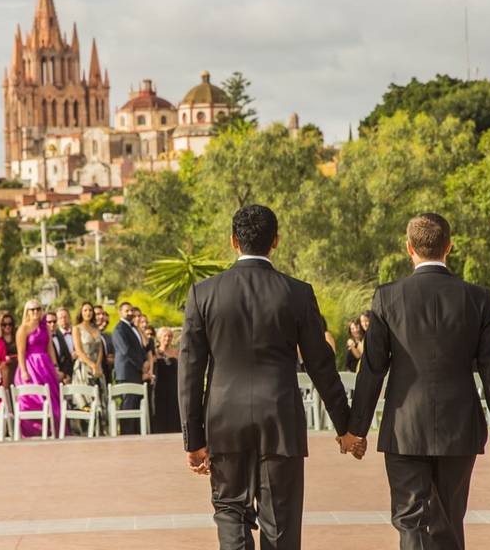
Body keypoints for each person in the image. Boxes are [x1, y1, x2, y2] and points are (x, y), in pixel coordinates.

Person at [179, 204, 359, 549]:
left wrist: (194, 439)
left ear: (233, 241)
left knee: (230, 511)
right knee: (281, 522)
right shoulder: (297, 292)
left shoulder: (203, 294)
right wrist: (345, 425)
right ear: (275, 241)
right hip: (280, 420)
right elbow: (320, 363)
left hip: (223, 420)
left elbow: (190, 371)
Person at [342, 213, 490, 550]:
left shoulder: (387, 298)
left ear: (409, 248)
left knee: (410, 521)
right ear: (449, 247)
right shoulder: (478, 299)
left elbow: (372, 369)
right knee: (448, 521)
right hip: (459, 428)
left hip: (404, 427)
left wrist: (356, 429)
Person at [15, 299, 63, 437]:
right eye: (32, 309)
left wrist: (55, 367)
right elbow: (21, 352)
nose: (36, 312)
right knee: (32, 401)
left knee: (52, 400)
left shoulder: (45, 327)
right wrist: (24, 371)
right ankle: (32, 432)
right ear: (27, 312)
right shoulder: (23, 329)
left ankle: (53, 431)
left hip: (45, 367)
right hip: (30, 367)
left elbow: (50, 348)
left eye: (38, 309)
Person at [71, 301, 106, 431]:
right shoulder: (77, 328)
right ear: (81, 312)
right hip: (83, 369)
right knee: (85, 401)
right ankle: (85, 430)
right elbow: (79, 350)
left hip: (97, 368)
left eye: (90, 310)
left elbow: (100, 349)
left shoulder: (96, 329)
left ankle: (100, 430)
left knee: (100, 399)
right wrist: (91, 364)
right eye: (85, 310)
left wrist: (97, 365)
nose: (88, 313)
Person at [112, 301, 146, 434]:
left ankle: (136, 432)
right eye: (127, 311)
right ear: (120, 312)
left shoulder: (133, 328)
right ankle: (126, 433)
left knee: (136, 403)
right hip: (126, 372)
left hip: (135, 371)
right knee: (128, 404)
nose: (130, 313)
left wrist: (144, 361)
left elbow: (139, 348)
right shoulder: (119, 329)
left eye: (131, 310)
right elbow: (126, 350)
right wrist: (141, 365)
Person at [152, 327, 181, 434]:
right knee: (160, 408)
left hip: (173, 384)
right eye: (165, 336)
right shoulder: (155, 353)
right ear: (159, 338)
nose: (167, 338)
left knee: (174, 407)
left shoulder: (176, 352)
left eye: (169, 336)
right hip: (160, 385)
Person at [48, 311, 74, 383]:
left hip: (63, 378)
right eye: (49, 322)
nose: (52, 324)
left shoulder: (60, 336)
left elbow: (66, 357)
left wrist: (65, 374)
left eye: (54, 321)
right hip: (49, 376)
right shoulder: (42, 340)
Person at [95, 305, 115, 383]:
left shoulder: (107, 336)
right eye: (97, 314)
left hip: (107, 373)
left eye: (102, 314)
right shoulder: (85, 333)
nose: (101, 317)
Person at [0, 310, 18, 385]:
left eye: (10, 324)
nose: (7, 326)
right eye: (4, 324)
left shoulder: (17, 336)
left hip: (17, 366)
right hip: (4, 370)